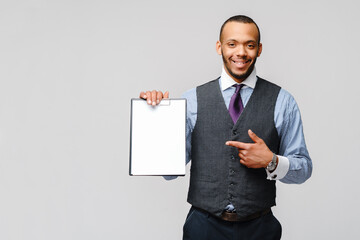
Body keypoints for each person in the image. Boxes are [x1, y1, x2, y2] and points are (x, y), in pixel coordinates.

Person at [139, 15, 312, 240]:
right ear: (219, 47)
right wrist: (156, 118)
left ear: (259, 49)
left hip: (260, 228)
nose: (240, 52)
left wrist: (272, 161)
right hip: (203, 227)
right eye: (232, 44)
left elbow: (304, 169)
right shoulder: (192, 100)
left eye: (249, 45)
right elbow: (169, 172)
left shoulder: (283, 101)